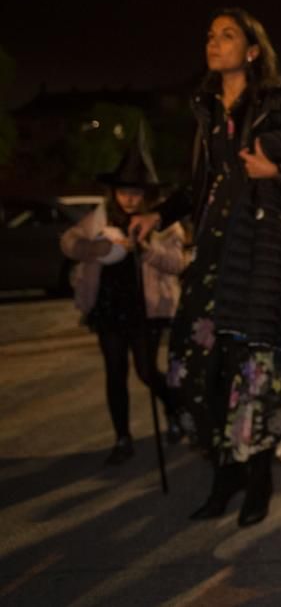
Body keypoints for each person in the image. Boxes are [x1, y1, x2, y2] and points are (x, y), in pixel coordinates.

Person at [131, 8, 281, 527]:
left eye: (227, 36)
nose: (213, 43)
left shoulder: (276, 104)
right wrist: (158, 213)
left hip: (261, 253)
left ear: (251, 50)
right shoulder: (206, 112)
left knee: (257, 371)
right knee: (201, 367)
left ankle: (255, 482)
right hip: (214, 255)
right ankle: (228, 471)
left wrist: (277, 169)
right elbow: (198, 183)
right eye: (209, 35)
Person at [61, 128, 185, 465]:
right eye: (123, 192)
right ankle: (122, 437)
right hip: (109, 307)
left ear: (147, 195)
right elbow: (69, 242)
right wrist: (94, 247)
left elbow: (177, 263)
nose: (129, 199)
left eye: (136, 193)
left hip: (148, 309)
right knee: (114, 371)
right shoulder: (100, 219)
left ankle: (176, 411)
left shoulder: (163, 224)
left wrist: (146, 250)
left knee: (146, 370)